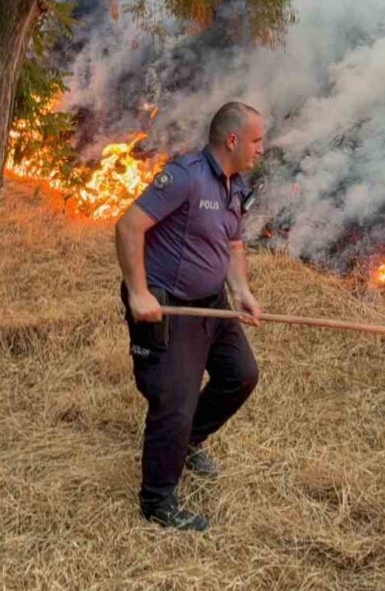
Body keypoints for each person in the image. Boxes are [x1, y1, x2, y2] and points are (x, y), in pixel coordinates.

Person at [114, 101, 266, 532]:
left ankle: (190, 440)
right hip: (170, 306)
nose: (261, 149)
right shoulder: (185, 177)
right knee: (174, 402)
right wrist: (139, 293)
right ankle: (157, 500)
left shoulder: (235, 185)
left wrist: (241, 290)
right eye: (256, 140)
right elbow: (128, 227)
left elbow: (234, 244)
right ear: (232, 140)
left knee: (241, 374)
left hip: (212, 303)